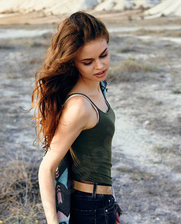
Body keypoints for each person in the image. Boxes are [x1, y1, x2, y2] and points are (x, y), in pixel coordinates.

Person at [32, 11, 119, 224]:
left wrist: (111, 202)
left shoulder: (99, 87)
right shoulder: (79, 106)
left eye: (104, 55)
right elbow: (47, 167)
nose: (99, 66)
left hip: (103, 202)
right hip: (89, 208)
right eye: (88, 62)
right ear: (73, 62)